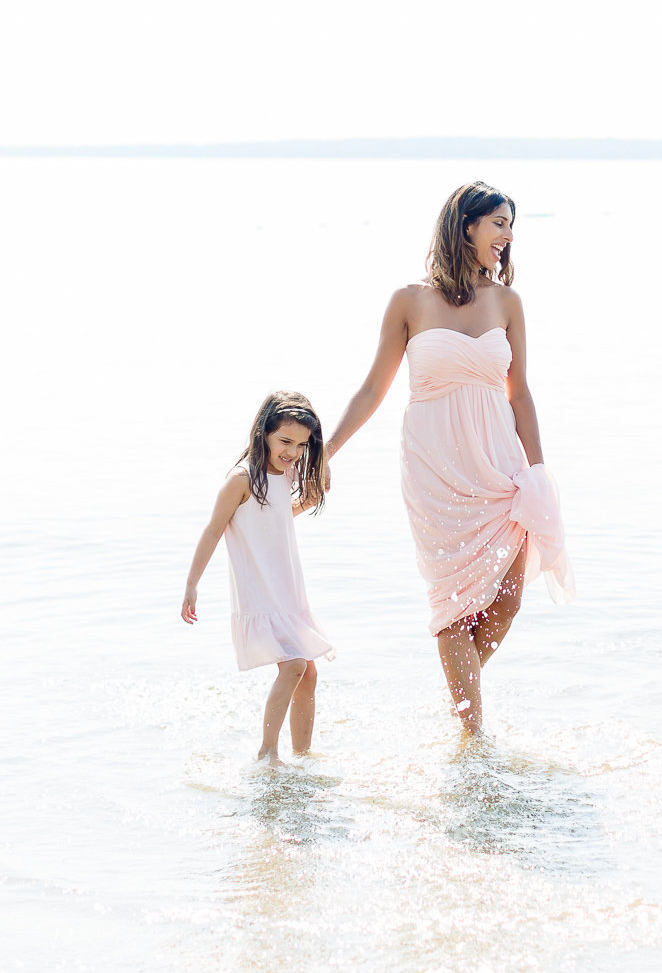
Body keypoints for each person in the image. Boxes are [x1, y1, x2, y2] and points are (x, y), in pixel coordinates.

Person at [324, 181, 574, 737]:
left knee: (506, 600)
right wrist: (327, 452)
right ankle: (471, 738)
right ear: (467, 226)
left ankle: (459, 704)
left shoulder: (508, 303)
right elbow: (372, 390)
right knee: (454, 605)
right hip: (436, 470)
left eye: (511, 225)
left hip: (501, 464)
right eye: (499, 223)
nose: (507, 236)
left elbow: (521, 394)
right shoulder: (408, 302)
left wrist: (537, 475)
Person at [181, 391, 336, 767]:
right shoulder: (242, 478)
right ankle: (267, 753)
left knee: (308, 671)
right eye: (285, 441)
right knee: (294, 665)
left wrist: (308, 500)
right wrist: (192, 585)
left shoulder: (287, 472)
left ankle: (303, 755)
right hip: (259, 588)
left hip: (286, 586)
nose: (293, 451)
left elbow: (276, 518)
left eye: (301, 445)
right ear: (264, 432)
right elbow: (213, 530)